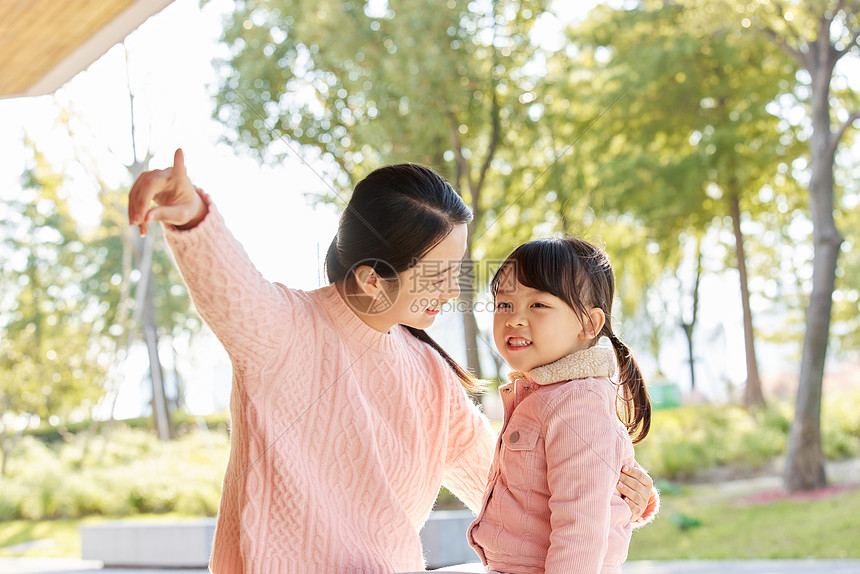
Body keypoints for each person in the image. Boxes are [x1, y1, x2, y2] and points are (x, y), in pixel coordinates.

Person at [127, 150, 657, 573]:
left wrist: (614, 494)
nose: (454, 289)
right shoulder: (284, 331)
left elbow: (511, 483)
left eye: (459, 269)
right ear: (371, 278)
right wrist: (191, 215)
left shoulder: (429, 373)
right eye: (437, 273)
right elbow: (231, 287)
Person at [467, 237, 658, 574]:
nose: (514, 319)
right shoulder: (544, 395)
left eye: (538, 305)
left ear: (589, 325)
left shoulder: (576, 406)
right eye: (504, 305)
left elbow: (581, 526)